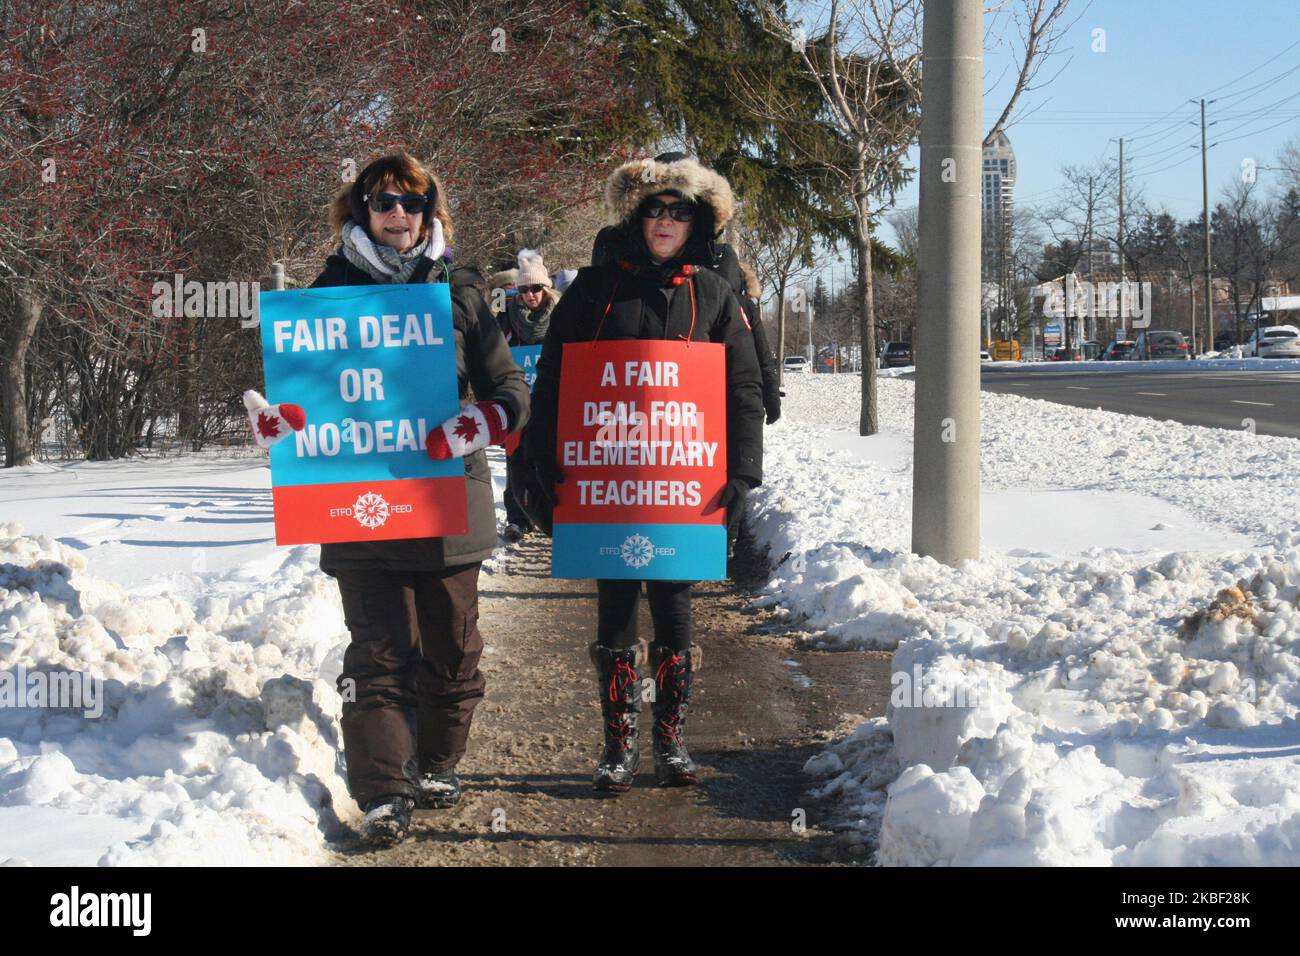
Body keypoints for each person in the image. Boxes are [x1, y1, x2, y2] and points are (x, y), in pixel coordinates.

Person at [250, 151, 529, 847]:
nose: (397, 214)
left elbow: (512, 393)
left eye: (411, 202)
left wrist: (478, 423)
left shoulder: (461, 291)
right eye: (382, 201)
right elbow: (304, 397)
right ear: (362, 210)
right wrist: (278, 426)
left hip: (446, 508)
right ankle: (384, 790)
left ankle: (436, 763)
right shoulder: (328, 291)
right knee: (378, 654)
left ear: (430, 211)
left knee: (453, 648)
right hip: (357, 506)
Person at [521, 155, 764, 792]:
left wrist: (743, 475)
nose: (664, 221)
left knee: (676, 609)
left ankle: (671, 740)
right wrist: (539, 460)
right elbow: (553, 382)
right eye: (654, 208)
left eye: (679, 210)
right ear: (636, 214)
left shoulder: (712, 294)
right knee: (616, 611)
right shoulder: (595, 291)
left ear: (699, 219)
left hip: (684, 484)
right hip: (608, 482)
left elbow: (742, 389)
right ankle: (618, 745)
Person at [501, 248, 559, 541]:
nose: (531, 294)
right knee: (516, 461)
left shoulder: (561, 316)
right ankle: (517, 519)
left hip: (551, 403)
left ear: (546, 288)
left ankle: (551, 515)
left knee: (547, 460)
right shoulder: (508, 318)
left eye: (536, 288)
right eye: (524, 289)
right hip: (519, 401)